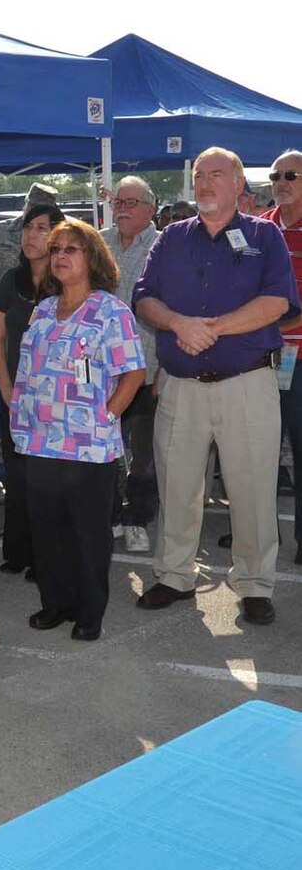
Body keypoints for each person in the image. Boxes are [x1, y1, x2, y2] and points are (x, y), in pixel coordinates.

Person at [131, 147, 300, 626]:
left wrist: (214, 327)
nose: (204, 183)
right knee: (178, 485)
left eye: (216, 175)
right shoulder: (170, 239)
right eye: (199, 175)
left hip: (246, 384)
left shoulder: (263, 235)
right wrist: (179, 324)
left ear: (239, 185)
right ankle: (174, 576)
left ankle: (254, 584)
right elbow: (145, 300)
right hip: (182, 387)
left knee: (252, 490)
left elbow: (276, 304)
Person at [9, 220, 146, 642]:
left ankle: (89, 612)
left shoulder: (111, 310)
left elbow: (134, 372)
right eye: (56, 249)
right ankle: (57, 603)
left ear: (93, 258)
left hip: (88, 445)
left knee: (87, 532)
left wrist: (107, 415)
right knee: (47, 530)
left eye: (73, 248)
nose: (62, 256)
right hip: (39, 440)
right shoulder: (44, 308)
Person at [0, 203, 64, 577]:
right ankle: (18, 550)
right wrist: (6, 386)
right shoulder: (11, 280)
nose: (30, 236)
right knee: (17, 473)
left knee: (47, 478)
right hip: (15, 395)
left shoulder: (66, 281)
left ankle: (45, 554)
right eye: (27, 228)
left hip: (54, 397)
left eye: (40, 228)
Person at [99, 177, 161, 554]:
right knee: (107, 450)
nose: (121, 207)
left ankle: (137, 517)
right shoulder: (99, 243)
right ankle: (110, 515)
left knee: (144, 455)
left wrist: (167, 371)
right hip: (102, 372)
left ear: (151, 208)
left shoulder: (165, 246)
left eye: (131, 202)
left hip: (148, 369)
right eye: (118, 201)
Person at [261, 149, 302, 565]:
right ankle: (258, 535)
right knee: (256, 452)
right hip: (262, 358)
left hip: (298, 357)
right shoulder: (260, 229)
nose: (281, 181)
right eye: (276, 175)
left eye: (292, 175)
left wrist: (271, 327)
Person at [0, 183, 60, 330]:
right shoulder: (0, 231)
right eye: (33, 207)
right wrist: (11, 310)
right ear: (26, 205)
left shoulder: (55, 236)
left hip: (40, 325)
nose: (36, 213)